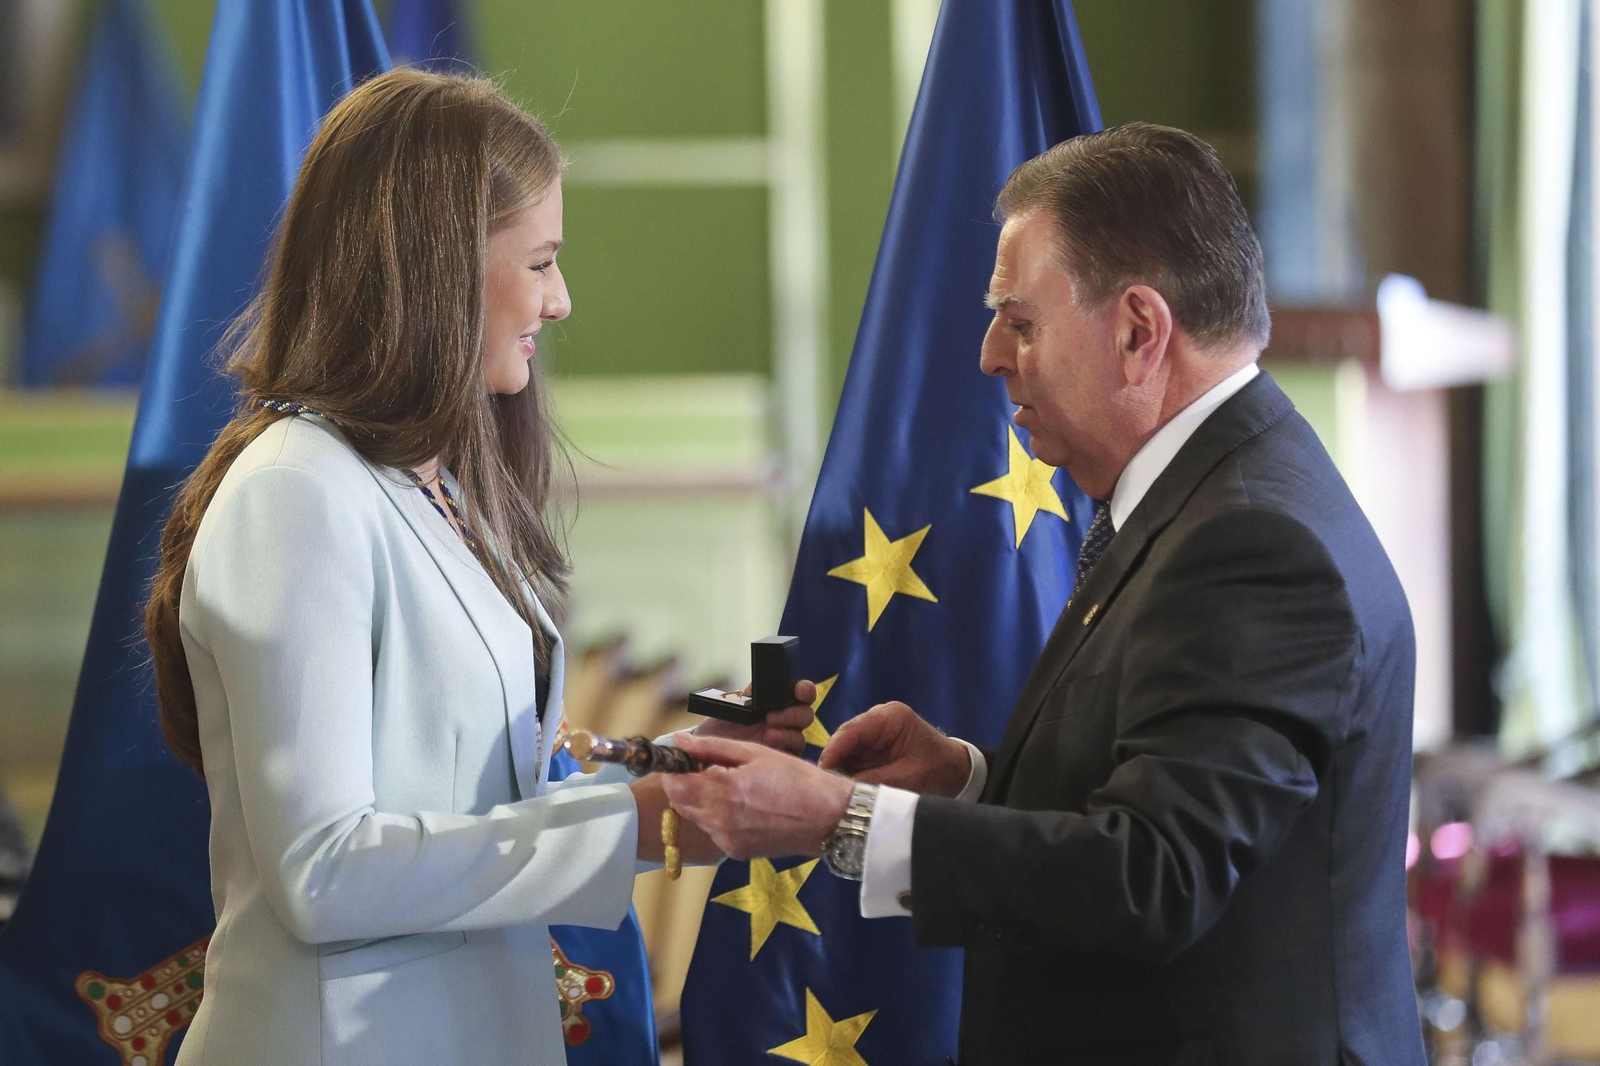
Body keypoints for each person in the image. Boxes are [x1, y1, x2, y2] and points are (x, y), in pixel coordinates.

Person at [663, 124, 1426, 1065]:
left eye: (1020, 323)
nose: (989, 355)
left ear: (1140, 330)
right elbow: (1156, 789)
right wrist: (969, 782)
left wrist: (837, 819)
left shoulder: (1250, 544)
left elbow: (1154, 878)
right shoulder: (1215, 493)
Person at [142, 68, 813, 1066]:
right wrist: (641, 820)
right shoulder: (295, 493)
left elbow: (466, 809)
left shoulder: (429, 484)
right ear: (438, 266)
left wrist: (672, 795)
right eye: (540, 261)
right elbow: (322, 870)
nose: (561, 298)